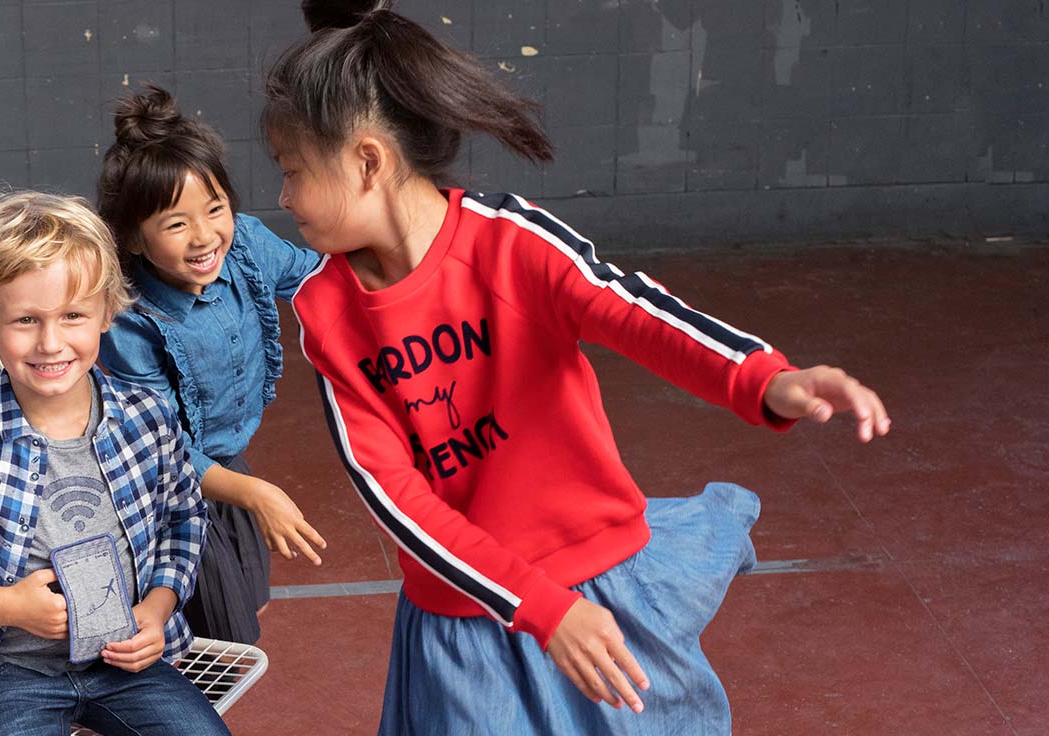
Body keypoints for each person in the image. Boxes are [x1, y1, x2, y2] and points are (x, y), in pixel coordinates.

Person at [262, 2, 892, 734]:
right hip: (472, 616)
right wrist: (540, 607)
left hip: (602, 582)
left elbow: (637, 313)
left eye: (292, 172)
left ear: (368, 160)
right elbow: (395, 498)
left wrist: (765, 380)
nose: (282, 198)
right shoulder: (326, 312)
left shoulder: (509, 242)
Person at [0, 190, 228, 736]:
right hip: (4, 669)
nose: (51, 342)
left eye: (73, 315)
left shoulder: (148, 417)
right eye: (25, 320)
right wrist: (5, 606)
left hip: (126, 661)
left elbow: (184, 518)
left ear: (107, 312)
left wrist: (157, 608)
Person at [97, 85, 328, 645]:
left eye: (216, 208)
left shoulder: (245, 245)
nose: (204, 236)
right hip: (159, 490)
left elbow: (317, 277)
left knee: (249, 613)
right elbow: (160, 446)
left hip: (224, 466)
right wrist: (255, 494)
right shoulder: (129, 320)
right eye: (176, 224)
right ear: (133, 237)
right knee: (220, 639)